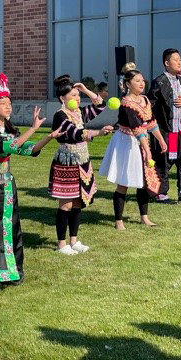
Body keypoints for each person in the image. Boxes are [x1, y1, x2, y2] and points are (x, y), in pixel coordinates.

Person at [0, 74, 59, 294]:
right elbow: (7, 147)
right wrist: (33, 129)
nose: (8, 106)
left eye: (9, 102)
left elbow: (27, 149)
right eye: (2, 102)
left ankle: (10, 272)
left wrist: (50, 136)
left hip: (4, 184)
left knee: (9, 227)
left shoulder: (10, 129)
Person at [49, 75, 113, 255]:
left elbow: (100, 105)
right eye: (73, 96)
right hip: (67, 163)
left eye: (78, 96)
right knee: (66, 205)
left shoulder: (79, 113)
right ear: (62, 98)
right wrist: (99, 133)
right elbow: (76, 133)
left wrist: (85, 90)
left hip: (82, 161)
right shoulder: (60, 116)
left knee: (78, 202)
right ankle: (62, 244)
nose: (77, 99)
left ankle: (74, 241)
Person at [99, 70, 167, 230]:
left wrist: (161, 139)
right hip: (126, 143)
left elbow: (150, 122)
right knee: (123, 183)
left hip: (141, 143)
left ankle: (145, 218)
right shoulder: (126, 104)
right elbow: (137, 129)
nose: (142, 83)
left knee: (143, 182)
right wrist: (148, 151)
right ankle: (119, 221)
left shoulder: (145, 100)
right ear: (128, 84)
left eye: (142, 80)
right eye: (137, 81)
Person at [148, 49, 181, 204]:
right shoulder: (159, 82)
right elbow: (150, 105)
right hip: (165, 129)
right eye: (175, 60)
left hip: (180, 128)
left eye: (180, 60)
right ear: (166, 63)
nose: (179, 62)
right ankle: (161, 193)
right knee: (164, 161)